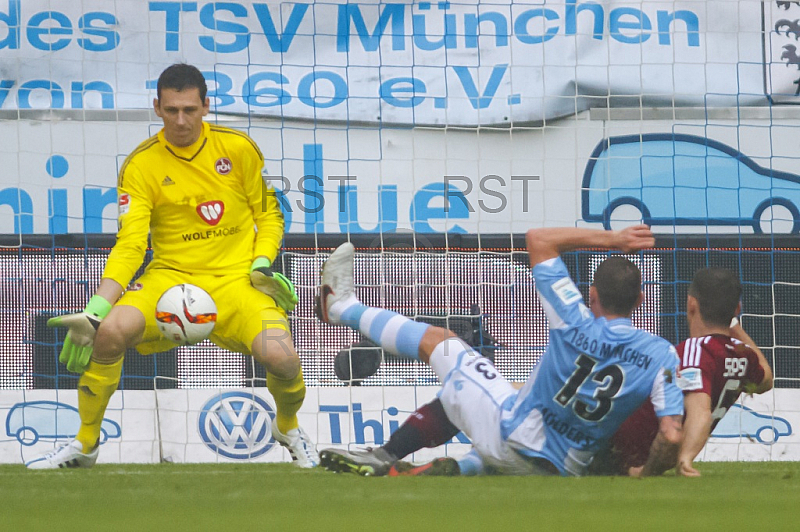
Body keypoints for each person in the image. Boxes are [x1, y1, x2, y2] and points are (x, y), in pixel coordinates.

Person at [27, 63, 318, 469]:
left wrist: (262, 264)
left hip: (237, 283)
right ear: (157, 108)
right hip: (169, 281)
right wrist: (96, 311)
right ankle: (85, 443)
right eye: (171, 110)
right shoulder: (141, 165)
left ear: (205, 107)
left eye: (190, 110)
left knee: (283, 358)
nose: (181, 120)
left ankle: (287, 427)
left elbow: (268, 216)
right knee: (110, 332)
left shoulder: (238, 149)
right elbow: (130, 245)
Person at [318, 225, 684, 476]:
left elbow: (539, 239)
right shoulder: (662, 355)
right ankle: (455, 466)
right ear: (640, 299)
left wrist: (614, 239)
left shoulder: (573, 318)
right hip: (564, 471)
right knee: (475, 389)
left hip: (513, 439)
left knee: (443, 345)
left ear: (591, 294)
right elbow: (670, 434)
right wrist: (645, 473)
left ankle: (339, 307)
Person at [593, 268, 773, 477]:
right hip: (647, 455)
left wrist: (685, 459)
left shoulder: (696, 350)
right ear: (737, 308)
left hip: (611, 452)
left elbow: (700, 410)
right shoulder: (742, 354)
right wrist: (736, 327)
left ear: (691, 304)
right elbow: (766, 380)